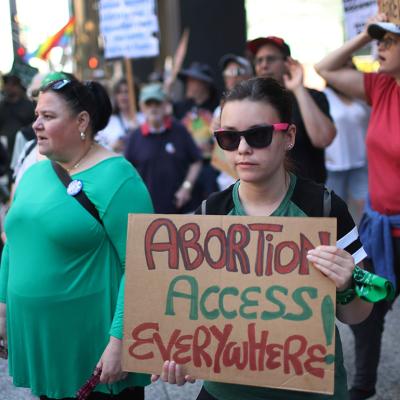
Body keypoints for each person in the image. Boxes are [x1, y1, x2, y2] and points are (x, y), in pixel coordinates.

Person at [152, 77, 373, 399]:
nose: (243, 148)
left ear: (289, 136)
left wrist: (346, 286)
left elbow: (358, 314)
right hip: (225, 391)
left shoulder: (324, 208)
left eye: (258, 135)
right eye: (229, 137)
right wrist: (179, 356)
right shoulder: (208, 215)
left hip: (310, 390)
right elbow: (185, 318)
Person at [0, 78, 153, 399]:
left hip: (95, 351)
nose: (36, 124)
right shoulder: (36, 171)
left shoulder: (119, 177)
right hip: (43, 346)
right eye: (36, 114)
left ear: (82, 121)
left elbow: (142, 267)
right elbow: (13, 244)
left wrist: (120, 342)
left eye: (49, 116)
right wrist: (2, 310)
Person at [315, 13, 400, 400]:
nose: (377, 49)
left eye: (388, 42)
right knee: (366, 314)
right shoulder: (382, 87)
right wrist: (367, 32)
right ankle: (362, 389)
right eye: (377, 42)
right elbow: (324, 67)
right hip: (379, 229)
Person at [247, 36, 336, 183]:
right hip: (265, 195)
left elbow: (323, 139)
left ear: (288, 63)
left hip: (308, 195)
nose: (263, 65)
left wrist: (298, 88)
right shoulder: (251, 102)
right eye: (259, 60)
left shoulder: (313, 96)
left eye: (270, 59)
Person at [125, 83, 202, 214]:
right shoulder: (134, 137)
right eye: (149, 104)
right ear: (142, 107)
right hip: (147, 212)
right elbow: (126, 173)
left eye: (157, 103)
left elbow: (196, 161)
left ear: (165, 105)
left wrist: (186, 187)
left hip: (182, 210)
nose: (153, 108)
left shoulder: (179, 130)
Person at [322, 61, 370, 224]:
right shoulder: (324, 96)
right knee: (334, 212)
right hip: (334, 164)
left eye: (351, 68)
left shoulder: (359, 96)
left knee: (366, 209)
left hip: (360, 161)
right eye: (344, 68)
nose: (348, 72)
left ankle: (366, 242)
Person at [174, 62, 220, 208]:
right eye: (187, 80)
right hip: (186, 169)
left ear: (204, 84)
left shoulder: (218, 107)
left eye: (192, 80)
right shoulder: (180, 107)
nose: (188, 84)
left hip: (211, 170)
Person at [96, 78, 140, 151]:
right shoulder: (108, 121)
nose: (123, 96)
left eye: (127, 92)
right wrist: (113, 147)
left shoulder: (145, 118)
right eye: (119, 92)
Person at [0, 74, 35, 161]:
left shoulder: (29, 106)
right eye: (6, 84)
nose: (8, 87)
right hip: (3, 149)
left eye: (12, 85)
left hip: (22, 148)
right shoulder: (2, 105)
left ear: (18, 87)